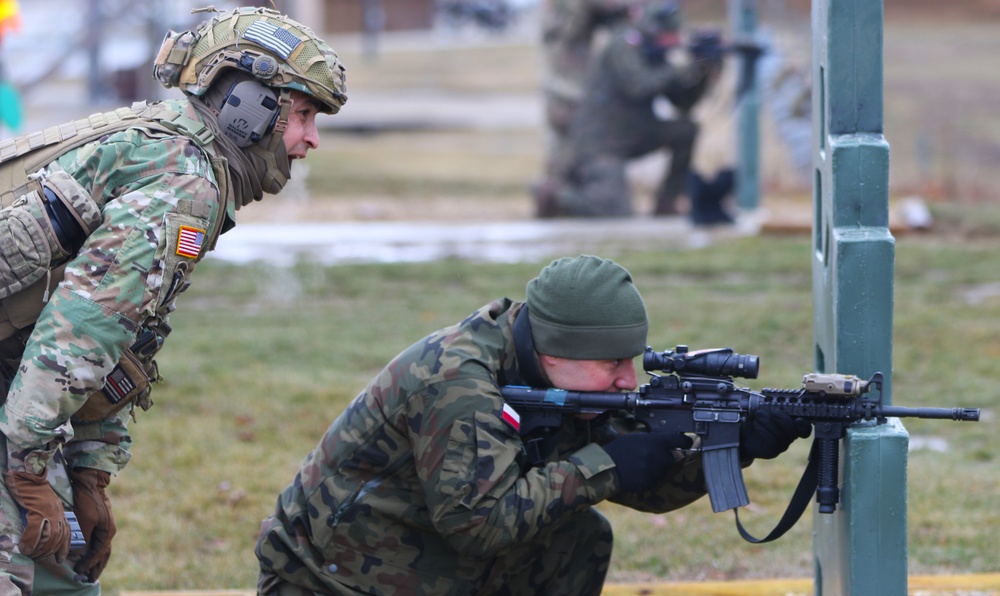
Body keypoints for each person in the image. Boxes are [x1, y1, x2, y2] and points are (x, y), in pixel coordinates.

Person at [0, 6, 347, 593]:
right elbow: (79, 332)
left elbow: (120, 342)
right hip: (19, 402)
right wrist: (30, 470)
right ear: (249, 108)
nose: (310, 139)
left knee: (57, 573)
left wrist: (89, 472)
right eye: (304, 115)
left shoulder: (172, 157)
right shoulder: (183, 182)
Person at [255, 255, 810, 594]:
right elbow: (478, 525)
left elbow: (645, 485)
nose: (626, 380)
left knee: (578, 537)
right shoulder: (458, 381)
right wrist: (607, 466)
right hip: (329, 580)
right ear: (557, 350)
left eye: (631, 360)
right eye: (612, 363)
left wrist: (736, 447)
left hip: (408, 559)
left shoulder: (562, 382)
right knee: (572, 526)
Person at [544, 0, 723, 217]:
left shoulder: (656, 54)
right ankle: (556, 196)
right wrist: (680, 70)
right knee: (615, 211)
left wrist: (700, 70)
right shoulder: (624, 44)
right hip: (601, 141)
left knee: (686, 130)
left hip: (635, 133)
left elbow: (683, 103)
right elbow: (639, 86)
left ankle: (667, 202)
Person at [532, 0, 637, 217]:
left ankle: (555, 196)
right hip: (570, 86)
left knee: (563, 148)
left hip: (563, 82)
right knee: (571, 147)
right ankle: (555, 196)